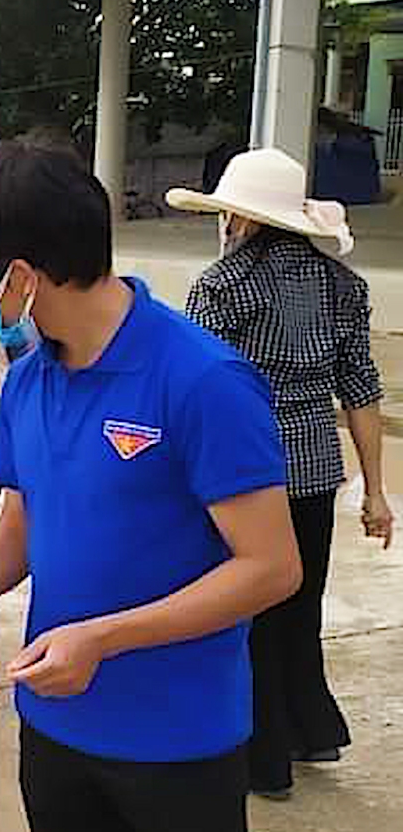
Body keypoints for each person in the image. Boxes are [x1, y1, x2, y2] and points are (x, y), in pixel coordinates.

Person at [0, 141, 302, 832]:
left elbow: (271, 567)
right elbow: (19, 528)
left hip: (176, 740)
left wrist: (103, 638)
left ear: (25, 276)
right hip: (56, 721)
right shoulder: (30, 379)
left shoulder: (202, 380)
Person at [171, 148, 395, 799]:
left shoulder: (221, 286)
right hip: (317, 470)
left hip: (242, 472)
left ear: (239, 214)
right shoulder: (343, 286)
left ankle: (262, 762)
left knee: (244, 618)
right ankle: (310, 732)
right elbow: (361, 391)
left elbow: (196, 390)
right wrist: (375, 491)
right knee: (298, 610)